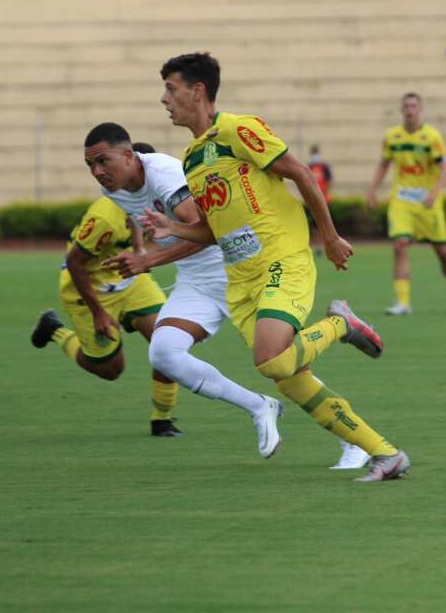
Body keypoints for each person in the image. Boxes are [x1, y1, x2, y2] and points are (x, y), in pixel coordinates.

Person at [150, 51, 410, 482]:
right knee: (290, 376)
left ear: (198, 92)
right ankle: (386, 454)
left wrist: (328, 236)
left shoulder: (238, 129)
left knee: (271, 361)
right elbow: (216, 231)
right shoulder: (193, 160)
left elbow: (300, 172)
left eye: (171, 89)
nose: (164, 99)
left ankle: (341, 325)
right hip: (242, 280)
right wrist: (170, 230)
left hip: (280, 258)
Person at [54, 124, 283, 457]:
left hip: (237, 269)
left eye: (103, 161)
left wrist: (150, 259)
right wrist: (143, 252)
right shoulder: (113, 192)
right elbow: (145, 223)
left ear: (130, 156)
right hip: (194, 279)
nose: (97, 172)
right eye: (90, 166)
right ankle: (259, 406)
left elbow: (210, 232)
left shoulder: (164, 177)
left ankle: (340, 331)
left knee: (281, 363)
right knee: (163, 353)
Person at [31, 194, 186, 437]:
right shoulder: (104, 218)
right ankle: (54, 330)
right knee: (110, 370)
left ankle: (162, 420)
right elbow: (74, 263)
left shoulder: (149, 196)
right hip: (89, 289)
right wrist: (98, 313)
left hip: (131, 281)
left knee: (168, 341)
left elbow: (139, 222)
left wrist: (140, 250)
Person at [366, 93, 446, 317]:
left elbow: (444, 168)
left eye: (413, 106)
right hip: (402, 200)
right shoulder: (392, 136)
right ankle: (403, 302)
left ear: (420, 109)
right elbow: (384, 164)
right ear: (402, 110)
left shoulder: (431, 137)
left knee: (442, 251)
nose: (410, 110)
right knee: (399, 246)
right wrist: (373, 189)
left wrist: (434, 193)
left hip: (427, 202)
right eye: (406, 106)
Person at [306, 144, 333, 254]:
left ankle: (324, 246)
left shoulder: (324, 166)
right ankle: (317, 247)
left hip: (324, 200)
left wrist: (325, 193)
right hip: (312, 201)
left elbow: (329, 181)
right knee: (314, 226)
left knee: (324, 224)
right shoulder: (309, 167)